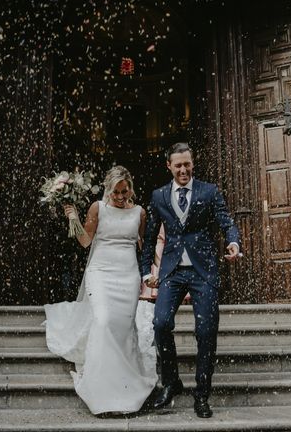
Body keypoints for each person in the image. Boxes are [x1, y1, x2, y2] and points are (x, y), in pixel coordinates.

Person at [43, 166, 157, 415]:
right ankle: (101, 386)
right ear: (108, 188)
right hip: (101, 273)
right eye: (115, 191)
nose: (119, 196)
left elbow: (143, 245)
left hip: (127, 275)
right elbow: (86, 241)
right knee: (104, 321)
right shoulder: (98, 208)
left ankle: (127, 383)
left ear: (130, 188)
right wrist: (72, 217)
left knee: (124, 327)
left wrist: (152, 272)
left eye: (124, 191)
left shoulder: (140, 212)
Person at [141, 142, 240, 418]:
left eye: (187, 164)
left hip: (202, 271)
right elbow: (149, 237)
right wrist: (147, 273)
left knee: (206, 331)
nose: (183, 169)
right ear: (169, 166)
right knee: (160, 323)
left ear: (192, 164)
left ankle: (202, 393)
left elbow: (226, 221)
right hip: (171, 272)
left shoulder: (209, 191)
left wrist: (233, 242)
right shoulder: (159, 196)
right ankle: (171, 382)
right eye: (178, 165)